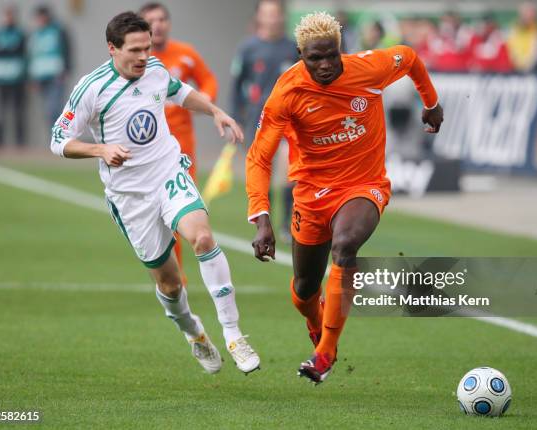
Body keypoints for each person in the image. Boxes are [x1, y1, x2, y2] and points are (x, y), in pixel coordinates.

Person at [50, 12, 260, 374]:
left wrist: (214, 111)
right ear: (112, 48)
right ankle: (193, 331)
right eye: (134, 50)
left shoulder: (156, 69)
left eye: (147, 48)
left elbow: (179, 92)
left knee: (203, 238)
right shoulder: (92, 88)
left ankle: (233, 333)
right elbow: (57, 139)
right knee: (170, 282)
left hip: (168, 172)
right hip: (131, 197)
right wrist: (100, 150)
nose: (143, 56)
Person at [246, 12, 443, 384]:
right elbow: (259, 156)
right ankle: (316, 323)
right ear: (300, 55)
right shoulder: (286, 92)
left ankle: (325, 353)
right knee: (305, 288)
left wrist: (430, 103)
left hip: (363, 186)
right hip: (310, 193)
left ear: (341, 49)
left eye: (330, 56)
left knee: (346, 245)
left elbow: (411, 58)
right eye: (314, 58)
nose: (324, 65)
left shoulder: (369, 69)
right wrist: (262, 218)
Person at [139, 2, 219, 279]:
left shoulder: (185, 54)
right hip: (144, 152)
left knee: (182, 211)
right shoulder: (137, 61)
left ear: (168, 24)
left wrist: (203, 100)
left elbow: (208, 80)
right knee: (154, 218)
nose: (157, 24)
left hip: (182, 149)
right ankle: (171, 274)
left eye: (162, 19)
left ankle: (180, 277)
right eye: (151, 20)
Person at [230, 0, 299, 242]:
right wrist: (236, 118)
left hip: (290, 120)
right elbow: (236, 85)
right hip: (259, 119)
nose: (272, 19)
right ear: (259, 17)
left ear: (281, 17)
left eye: (275, 14)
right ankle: (264, 221)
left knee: (289, 170)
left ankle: (287, 222)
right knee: (263, 172)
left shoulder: (293, 48)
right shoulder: (248, 49)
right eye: (267, 14)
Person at [0, 5, 26, 148]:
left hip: (16, 79)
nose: (8, 19)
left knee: (17, 112)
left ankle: (20, 143)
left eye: (10, 16)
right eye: (6, 15)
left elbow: (26, 55)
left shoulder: (20, 34)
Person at [28, 5, 71, 128]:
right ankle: (53, 138)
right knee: (47, 111)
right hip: (40, 76)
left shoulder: (58, 30)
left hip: (56, 75)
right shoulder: (35, 34)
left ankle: (60, 135)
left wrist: (66, 70)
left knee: (55, 109)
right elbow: (32, 55)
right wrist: (32, 77)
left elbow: (67, 50)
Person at [506, 2, 537, 72]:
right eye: (527, 13)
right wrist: (516, 64)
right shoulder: (513, 29)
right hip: (514, 69)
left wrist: (526, 66)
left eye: (531, 14)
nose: (529, 16)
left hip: (531, 70)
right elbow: (509, 50)